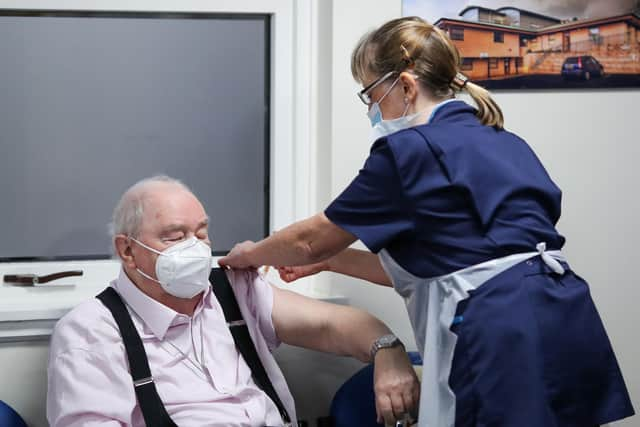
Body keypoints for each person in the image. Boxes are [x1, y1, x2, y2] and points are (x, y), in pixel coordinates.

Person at [219, 16, 635, 427]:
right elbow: (441, 267)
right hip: (561, 314)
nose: (371, 109)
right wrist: (332, 262)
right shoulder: (503, 141)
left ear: (404, 85)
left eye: (370, 94)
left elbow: (310, 240)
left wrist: (250, 254)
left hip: (498, 328)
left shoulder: (410, 150)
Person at [46, 175, 420, 427]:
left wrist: (387, 351)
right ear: (128, 251)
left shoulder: (231, 293)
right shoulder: (91, 332)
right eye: (175, 238)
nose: (195, 248)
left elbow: (335, 326)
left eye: (202, 234)